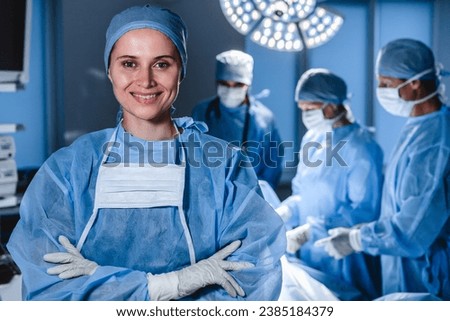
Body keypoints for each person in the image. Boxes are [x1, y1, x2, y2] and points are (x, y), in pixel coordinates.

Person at [6, 4, 286, 301]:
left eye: (161, 64)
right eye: (129, 63)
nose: (146, 81)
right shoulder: (69, 171)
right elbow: (49, 293)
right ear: (109, 70)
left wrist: (103, 284)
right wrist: (169, 285)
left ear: (181, 70)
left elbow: (249, 286)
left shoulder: (225, 167)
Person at [316, 38, 450, 300]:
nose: (379, 91)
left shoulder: (436, 142)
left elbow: (411, 230)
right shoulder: (418, 128)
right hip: (405, 265)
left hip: (427, 274)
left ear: (414, 84)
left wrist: (357, 239)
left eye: (386, 84)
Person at [277, 68, 384, 300]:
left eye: (310, 109)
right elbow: (303, 192)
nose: (305, 115)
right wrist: (286, 211)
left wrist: (311, 231)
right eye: (302, 109)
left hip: (343, 256)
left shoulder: (361, 148)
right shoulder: (312, 139)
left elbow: (364, 211)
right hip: (309, 256)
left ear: (333, 105)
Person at [191, 50, 284, 189]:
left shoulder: (264, 119)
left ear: (248, 85)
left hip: (250, 196)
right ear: (216, 82)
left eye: (237, 84)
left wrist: (256, 196)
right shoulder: (202, 112)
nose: (230, 89)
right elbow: (192, 158)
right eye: (224, 83)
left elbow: (272, 167)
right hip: (208, 193)